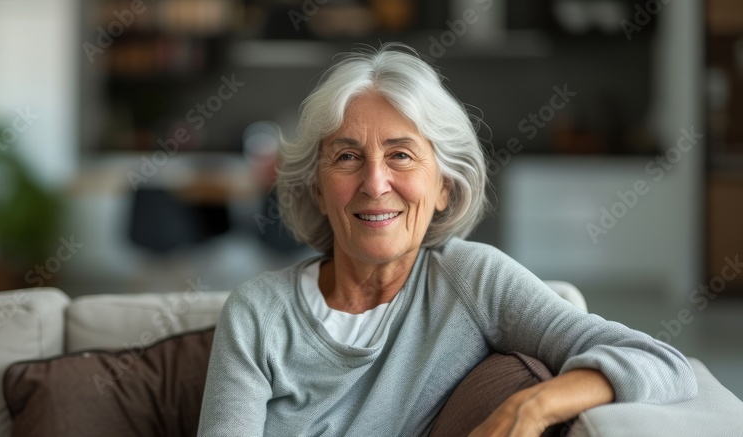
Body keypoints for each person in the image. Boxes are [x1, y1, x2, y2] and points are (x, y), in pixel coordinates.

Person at [197, 43, 697, 436]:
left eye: (401, 155)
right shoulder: (257, 313)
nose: (375, 183)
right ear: (318, 189)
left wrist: (534, 405)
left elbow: (661, 363)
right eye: (347, 157)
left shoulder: (470, 281)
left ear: (443, 187)